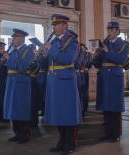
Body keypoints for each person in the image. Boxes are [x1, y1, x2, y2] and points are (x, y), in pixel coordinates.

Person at [44, 14, 82, 154]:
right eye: (53, 25)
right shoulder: (54, 41)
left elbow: (67, 59)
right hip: (54, 80)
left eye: (57, 24)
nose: (54, 27)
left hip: (66, 80)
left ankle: (70, 144)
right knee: (58, 113)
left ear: (65, 25)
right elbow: (48, 61)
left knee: (68, 113)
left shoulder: (72, 42)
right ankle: (61, 141)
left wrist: (50, 50)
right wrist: (41, 54)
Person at [96, 21, 129, 142]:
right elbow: (99, 62)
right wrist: (97, 53)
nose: (109, 32)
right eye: (108, 30)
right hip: (104, 76)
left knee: (115, 107)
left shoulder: (124, 44)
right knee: (106, 106)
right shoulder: (105, 43)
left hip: (115, 75)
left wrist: (106, 52)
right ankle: (108, 133)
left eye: (111, 30)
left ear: (117, 31)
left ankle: (116, 134)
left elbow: (121, 59)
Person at [3, 28, 34, 144]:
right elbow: (9, 65)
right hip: (11, 81)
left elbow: (23, 66)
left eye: (15, 37)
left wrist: (9, 60)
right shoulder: (13, 51)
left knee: (21, 109)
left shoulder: (28, 51)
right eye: (13, 37)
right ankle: (16, 133)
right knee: (12, 108)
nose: (13, 40)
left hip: (21, 82)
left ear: (21, 38)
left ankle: (24, 134)